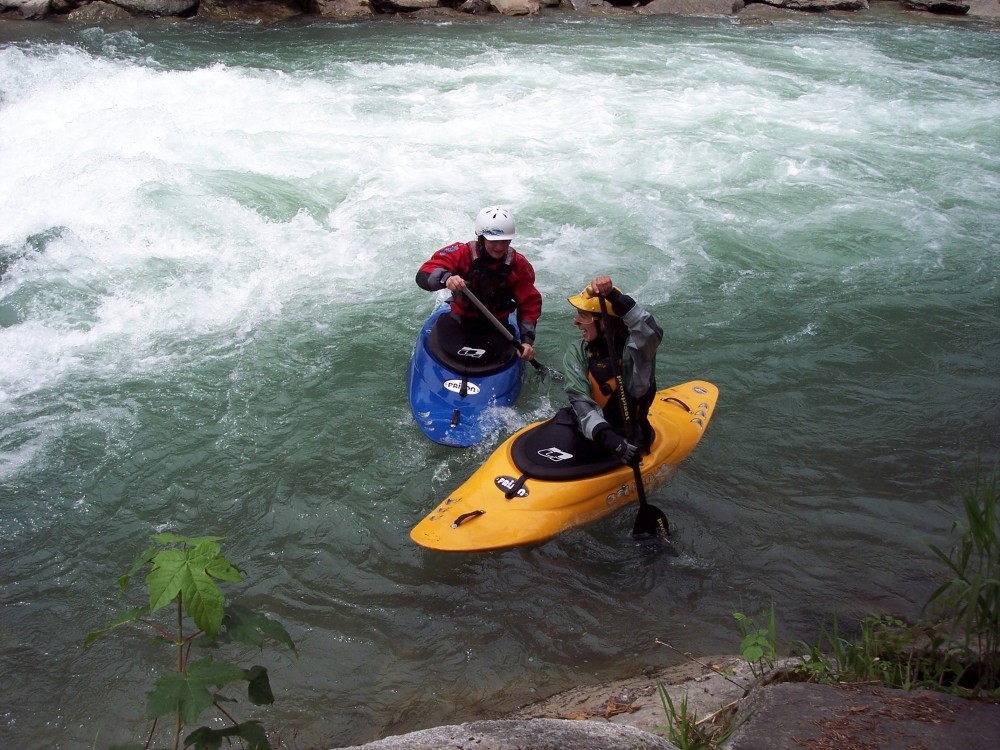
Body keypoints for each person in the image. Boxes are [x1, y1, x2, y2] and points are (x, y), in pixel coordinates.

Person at [415, 206, 541, 360]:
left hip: (497, 327)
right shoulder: (461, 252)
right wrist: (446, 278)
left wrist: (527, 341)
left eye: (505, 240)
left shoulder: (519, 264)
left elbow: (529, 304)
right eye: (494, 241)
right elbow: (423, 274)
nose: (500, 247)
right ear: (481, 237)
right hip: (459, 322)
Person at [563, 275, 663, 465]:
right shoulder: (578, 351)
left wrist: (614, 296)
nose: (576, 322)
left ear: (604, 322)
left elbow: (651, 334)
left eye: (583, 316)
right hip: (595, 432)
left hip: (629, 435)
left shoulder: (636, 354)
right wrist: (609, 439)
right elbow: (579, 399)